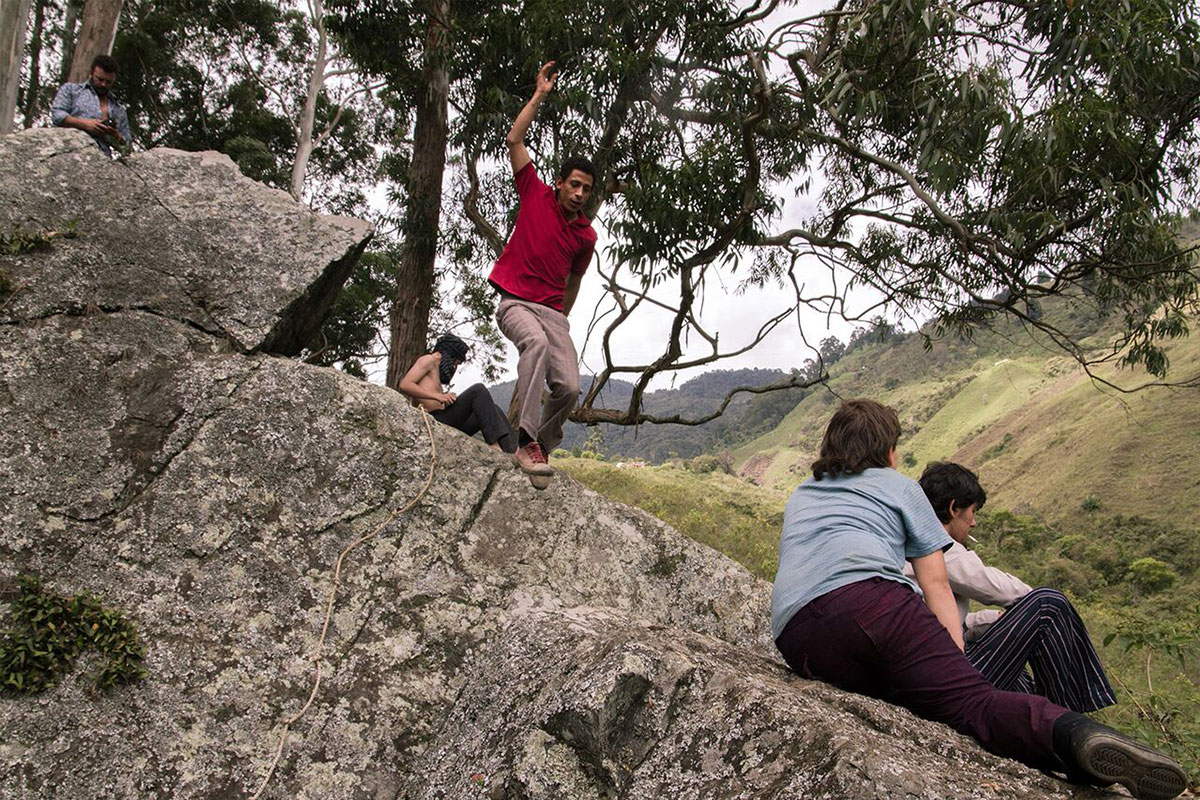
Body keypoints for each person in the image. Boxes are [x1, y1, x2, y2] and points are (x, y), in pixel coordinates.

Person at [771, 399, 1185, 800]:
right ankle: (1078, 736)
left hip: (797, 637)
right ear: (888, 451)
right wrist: (954, 658)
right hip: (873, 605)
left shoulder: (804, 493)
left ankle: (1074, 738)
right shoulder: (899, 487)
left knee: (925, 694)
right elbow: (936, 582)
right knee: (975, 704)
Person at [911, 461, 1117, 713]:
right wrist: (1030, 607)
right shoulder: (937, 548)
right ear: (954, 508)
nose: (973, 522)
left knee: (1015, 666)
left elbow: (940, 621)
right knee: (1048, 603)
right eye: (972, 512)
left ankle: (1037, 715)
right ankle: (1067, 717)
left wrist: (989, 620)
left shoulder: (907, 539)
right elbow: (999, 589)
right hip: (943, 682)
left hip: (924, 671)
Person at [488, 60, 598, 478]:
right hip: (516, 302)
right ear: (560, 182)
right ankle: (524, 440)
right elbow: (514, 139)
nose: (579, 193)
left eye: (586, 189)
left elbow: (575, 281)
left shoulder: (586, 236)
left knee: (569, 386)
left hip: (553, 314)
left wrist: (562, 319)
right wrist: (539, 96)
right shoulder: (534, 193)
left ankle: (542, 445)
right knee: (533, 344)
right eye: (574, 184)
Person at [396, 333, 516, 454]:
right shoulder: (428, 360)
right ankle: (494, 444)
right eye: (456, 363)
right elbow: (405, 384)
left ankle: (512, 450)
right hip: (434, 421)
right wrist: (438, 396)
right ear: (449, 355)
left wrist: (446, 401)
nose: (454, 367)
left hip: (446, 420)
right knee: (478, 390)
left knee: (493, 409)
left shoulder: (436, 369)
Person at [50, 54, 131, 157]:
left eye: (108, 82)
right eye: (100, 79)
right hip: (69, 153)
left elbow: (127, 148)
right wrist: (85, 124)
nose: (103, 84)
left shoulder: (118, 109)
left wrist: (116, 136)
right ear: (91, 74)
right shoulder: (71, 90)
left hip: (101, 159)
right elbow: (57, 115)